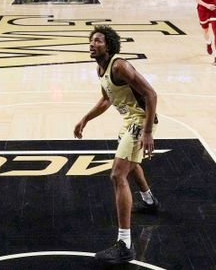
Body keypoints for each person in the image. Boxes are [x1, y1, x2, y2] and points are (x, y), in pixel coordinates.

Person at [74, 25, 159, 264]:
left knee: (117, 175)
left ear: (108, 45)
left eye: (98, 40)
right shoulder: (100, 68)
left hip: (140, 122)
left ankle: (125, 245)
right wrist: (85, 119)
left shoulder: (119, 65)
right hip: (129, 120)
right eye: (91, 40)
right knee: (131, 164)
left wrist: (148, 130)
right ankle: (150, 201)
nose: (92, 44)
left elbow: (151, 95)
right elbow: (106, 99)